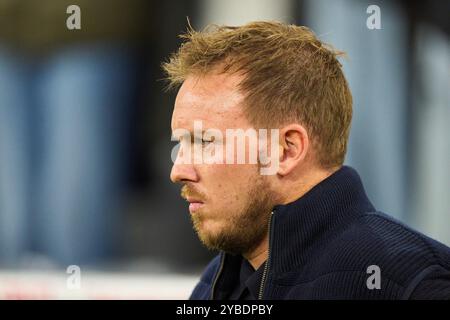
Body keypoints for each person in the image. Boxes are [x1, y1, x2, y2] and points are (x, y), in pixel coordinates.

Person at [164, 21, 450, 299]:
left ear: (286, 150)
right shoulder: (215, 282)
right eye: (181, 143)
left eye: (204, 141)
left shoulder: (409, 282)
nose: (178, 171)